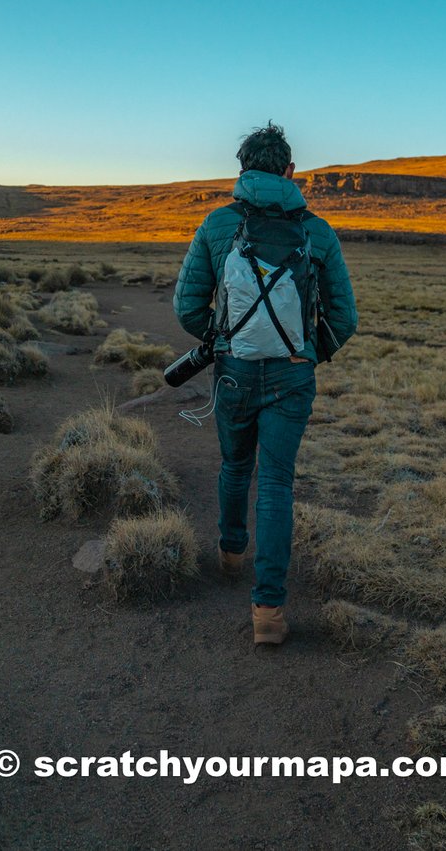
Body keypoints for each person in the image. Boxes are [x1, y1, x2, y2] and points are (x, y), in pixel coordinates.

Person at [173, 123, 357, 646]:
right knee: (276, 483)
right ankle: (268, 614)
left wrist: (222, 339)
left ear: (243, 172)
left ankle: (231, 553)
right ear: (291, 173)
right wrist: (308, 352)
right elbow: (345, 318)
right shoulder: (317, 232)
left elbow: (187, 307)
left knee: (236, 466)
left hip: (233, 372)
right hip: (292, 378)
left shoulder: (217, 225)